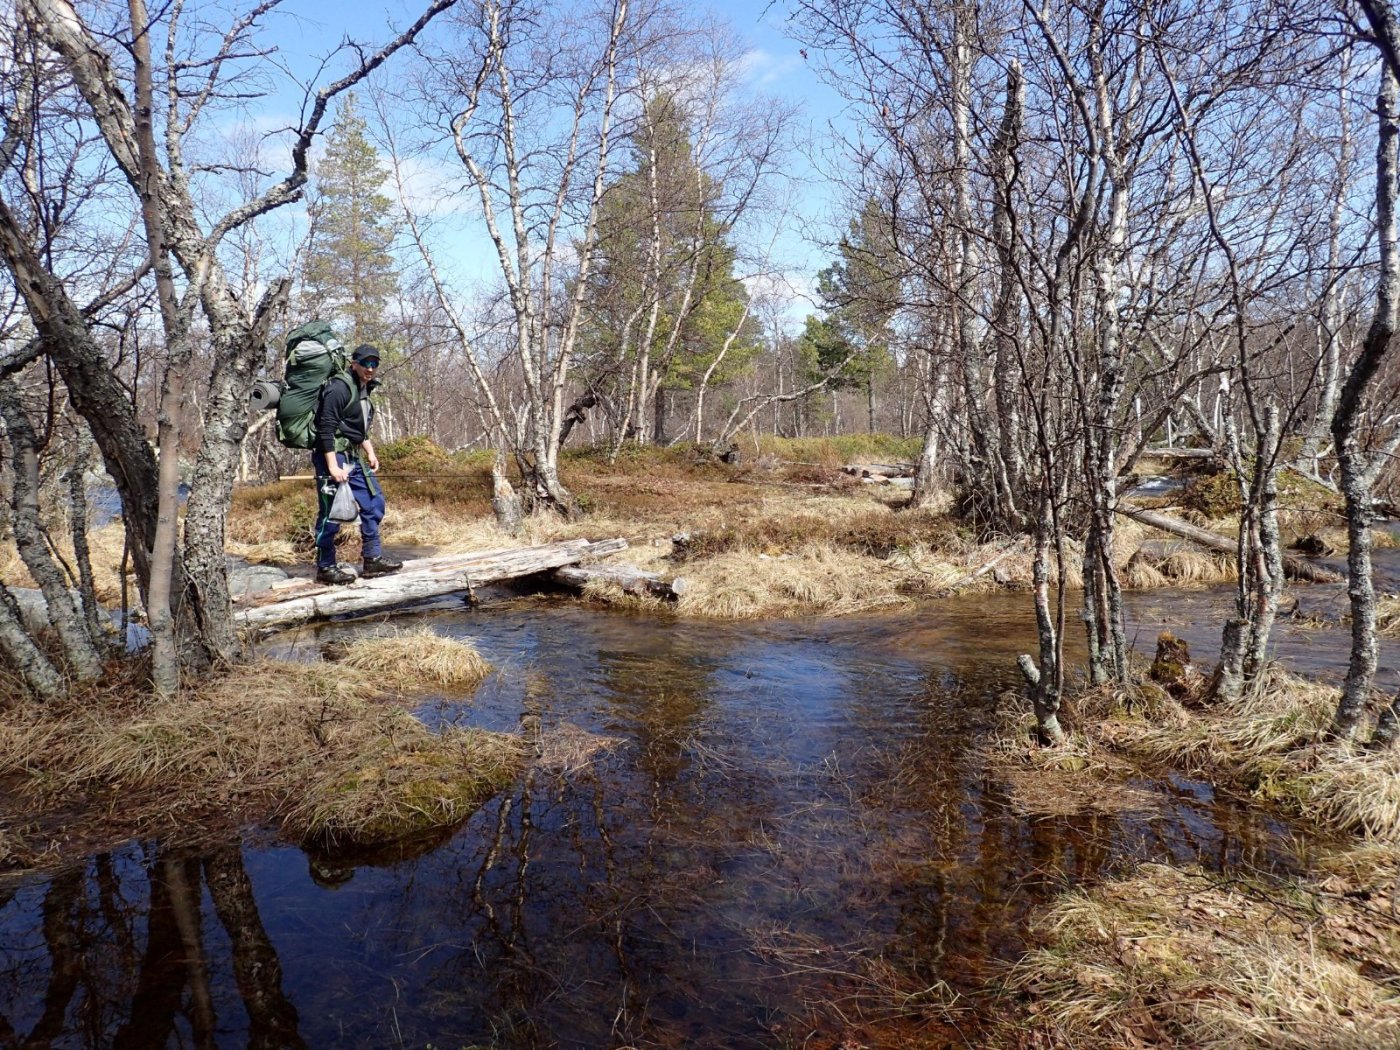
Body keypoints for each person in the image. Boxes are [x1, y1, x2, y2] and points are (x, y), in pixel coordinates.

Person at [312, 343, 403, 585]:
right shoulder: (339, 387)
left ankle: (372, 559)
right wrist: (333, 466)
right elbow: (326, 427)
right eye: (365, 363)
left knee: (374, 502)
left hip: (353, 455)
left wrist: (370, 452)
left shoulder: (364, 388)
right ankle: (325, 567)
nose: (370, 368)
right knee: (331, 512)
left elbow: (356, 428)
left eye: (374, 364)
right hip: (333, 455)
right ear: (354, 364)